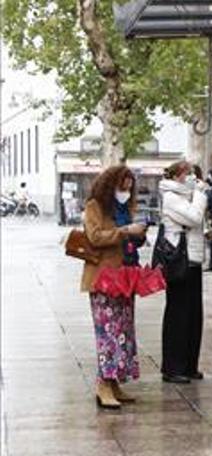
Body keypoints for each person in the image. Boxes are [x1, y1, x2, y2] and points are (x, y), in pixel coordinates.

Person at [81, 166, 146, 408]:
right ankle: (103, 385)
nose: (126, 191)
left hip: (126, 275)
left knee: (123, 332)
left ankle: (115, 381)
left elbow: (126, 239)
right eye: (122, 186)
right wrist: (124, 231)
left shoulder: (125, 208)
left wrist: (138, 235)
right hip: (103, 277)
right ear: (111, 185)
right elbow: (95, 236)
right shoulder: (95, 206)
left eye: (129, 187)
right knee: (108, 333)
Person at [159, 161, 208, 383]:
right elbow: (194, 218)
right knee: (178, 314)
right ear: (178, 175)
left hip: (194, 260)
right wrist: (199, 195)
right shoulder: (171, 197)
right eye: (189, 174)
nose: (193, 179)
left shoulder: (188, 195)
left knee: (194, 314)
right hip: (179, 261)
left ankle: (190, 364)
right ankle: (173, 367)